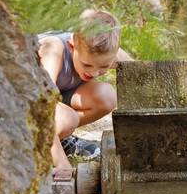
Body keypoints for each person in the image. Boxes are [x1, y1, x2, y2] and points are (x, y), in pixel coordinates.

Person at [38, 9, 133, 170]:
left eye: (104, 67)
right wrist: (62, 164)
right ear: (71, 47)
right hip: (29, 102)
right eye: (87, 65)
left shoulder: (108, 51)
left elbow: (141, 74)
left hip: (59, 97)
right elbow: (41, 105)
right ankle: (48, 141)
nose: (94, 73)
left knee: (107, 97)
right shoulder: (53, 50)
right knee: (68, 118)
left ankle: (59, 137)